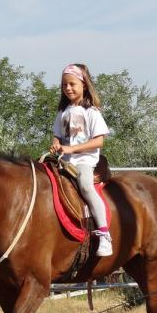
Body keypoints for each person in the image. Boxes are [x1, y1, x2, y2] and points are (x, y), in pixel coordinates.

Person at [50, 63, 112, 256]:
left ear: (84, 85)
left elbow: (99, 141)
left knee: (85, 186)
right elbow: (57, 136)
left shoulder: (91, 111)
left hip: (85, 161)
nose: (68, 88)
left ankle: (104, 234)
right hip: (65, 160)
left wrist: (72, 148)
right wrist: (55, 144)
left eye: (72, 84)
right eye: (64, 85)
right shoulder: (63, 112)